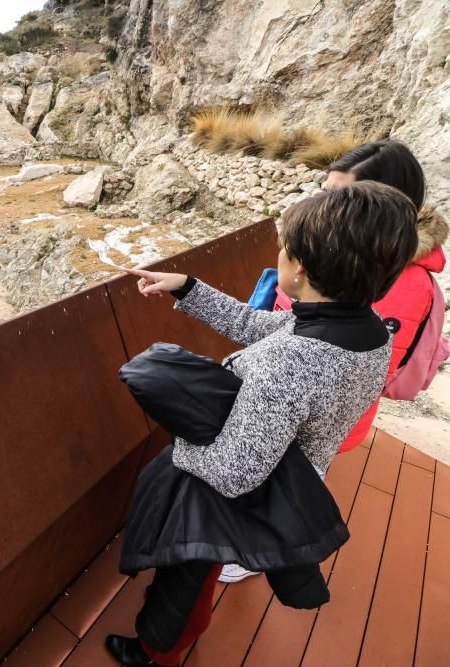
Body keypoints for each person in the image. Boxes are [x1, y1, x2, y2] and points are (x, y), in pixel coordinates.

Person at [107, 181, 419, 667]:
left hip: (249, 485)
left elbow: (235, 474)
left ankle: (156, 653)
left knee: (189, 575)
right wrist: (188, 288)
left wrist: (183, 447)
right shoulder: (368, 329)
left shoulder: (294, 364)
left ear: (299, 269)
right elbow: (261, 328)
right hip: (297, 467)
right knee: (198, 571)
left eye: (284, 245)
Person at [226, 139, 447, 584]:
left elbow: (355, 363)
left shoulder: (400, 282)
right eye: (323, 190)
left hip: (316, 414)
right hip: (295, 394)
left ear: (376, 204)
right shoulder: (348, 253)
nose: (322, 203)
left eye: (337, 195)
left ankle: (252, 553)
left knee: (289, 479)